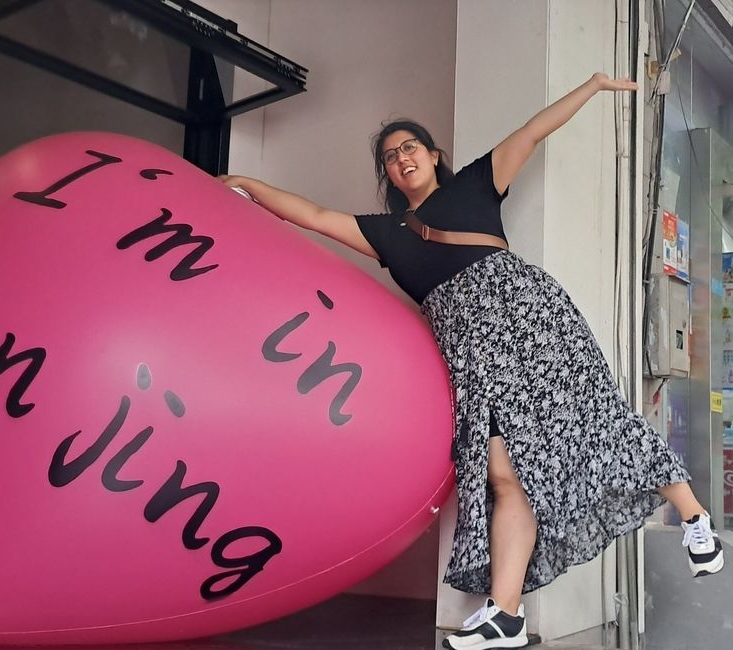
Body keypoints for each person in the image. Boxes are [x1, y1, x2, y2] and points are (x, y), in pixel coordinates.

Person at [220, 72, 724, 650]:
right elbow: (309, 213)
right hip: (468, 352)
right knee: (501, 474)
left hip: (528, 316)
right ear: (387, 174)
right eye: (390, 156)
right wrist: (243, 181)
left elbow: (533, 132)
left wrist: (594, 85)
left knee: (595, 419)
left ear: (434, 156)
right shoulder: (386, 233)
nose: (401, 158)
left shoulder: (478, 185)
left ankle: (693, 518)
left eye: (409, 147)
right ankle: (505, 616)